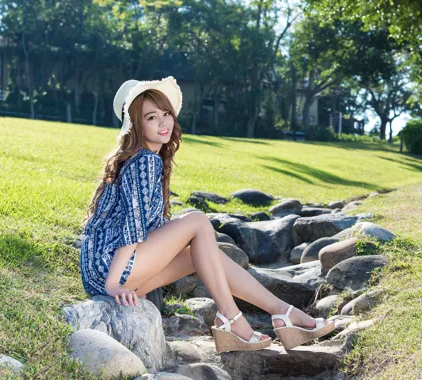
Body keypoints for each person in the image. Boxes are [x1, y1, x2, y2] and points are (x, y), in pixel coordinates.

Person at [79, 76, 334, 353]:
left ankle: (283, 312)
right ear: (135, 125)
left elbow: (149, 230)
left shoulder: (145, 160)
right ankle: (232, 319)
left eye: (166, 113)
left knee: (199, 255)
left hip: (105, 275)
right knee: (198, 221)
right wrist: (114, 283)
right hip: (111, 272)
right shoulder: (144, 161)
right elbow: (133, 227)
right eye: (151, 117)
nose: (164, 122)